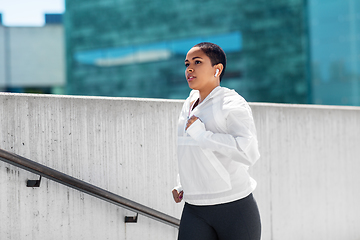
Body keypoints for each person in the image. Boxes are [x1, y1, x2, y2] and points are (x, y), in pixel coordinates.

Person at [172, 42, 261, 240]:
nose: (190, 69)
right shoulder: (188, 103)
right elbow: (189, 150)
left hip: (233, 206)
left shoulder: (231, 103)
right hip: (194, 207)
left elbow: (248, 152)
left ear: (217, 69)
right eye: (187, 64)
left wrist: (203, 135)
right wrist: (183, 183)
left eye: (197, 62)